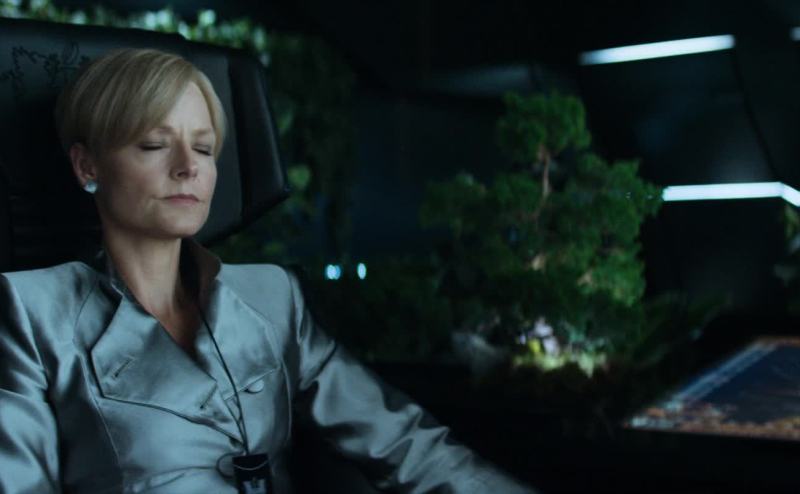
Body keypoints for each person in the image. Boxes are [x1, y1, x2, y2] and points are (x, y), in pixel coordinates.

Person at [0, 49, 536, 493]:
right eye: (154, 145)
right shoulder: (31, 311)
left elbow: (404, 443)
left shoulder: (271, 296)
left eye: (204, 148)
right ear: (87, 165)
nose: (188, 166)